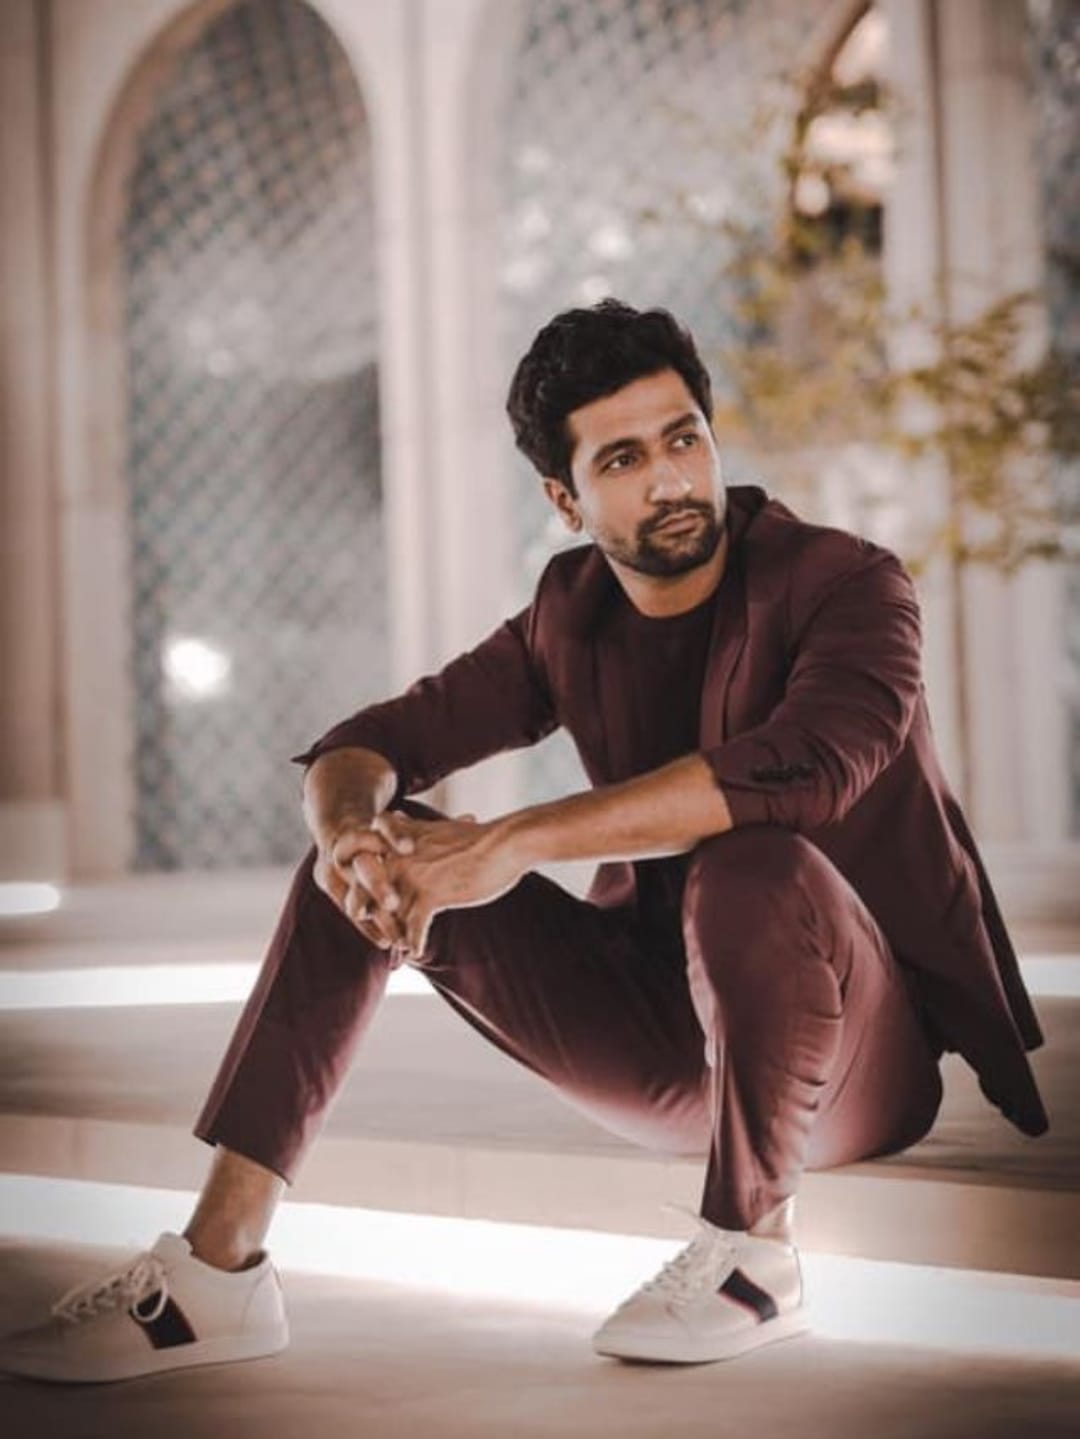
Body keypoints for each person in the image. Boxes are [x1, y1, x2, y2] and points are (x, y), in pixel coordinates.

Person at [1, 300, 1047, 1383]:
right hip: (665, 1038)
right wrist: (352, 836)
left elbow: (809, 765)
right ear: (566, 498)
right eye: (624, 459)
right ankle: (217, 1271)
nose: (671, 479)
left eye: (684, 438)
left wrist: (515, 840)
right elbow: (372, 741)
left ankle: (754, 1256)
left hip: (858, 1056)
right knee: (375, 851)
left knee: (754, 861)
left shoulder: (847, 583)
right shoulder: (570, 613)